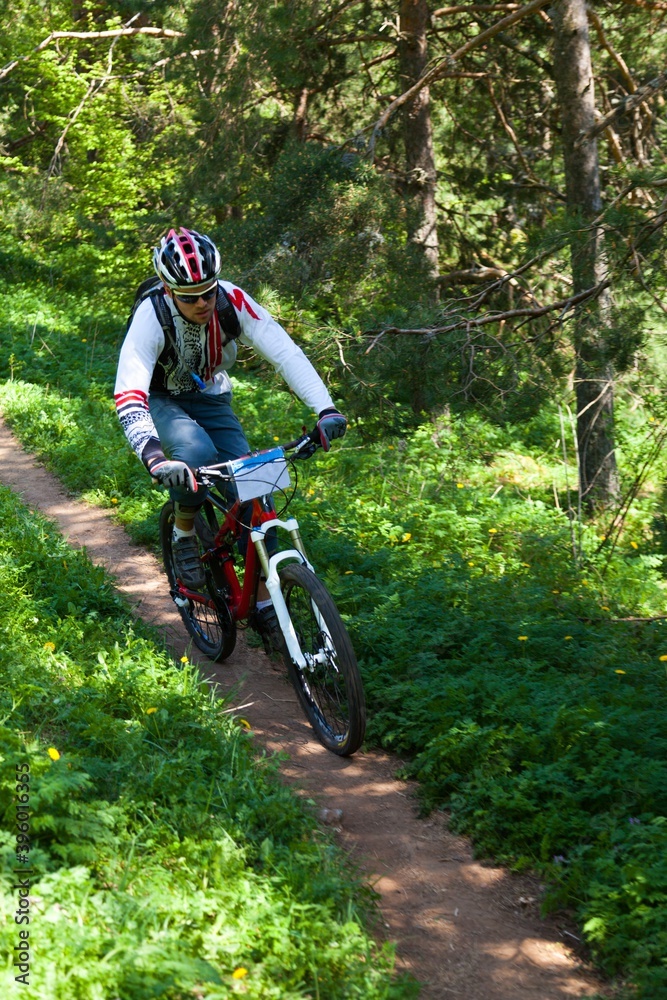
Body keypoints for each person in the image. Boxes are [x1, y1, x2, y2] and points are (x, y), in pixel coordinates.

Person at [114, 226, 347, 647]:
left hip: (211, 395)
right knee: (196, 455)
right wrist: (154, 456)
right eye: (190, 297)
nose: (203, 302)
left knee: (259, 489)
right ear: (169, 292)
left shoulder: (232, 301)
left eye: (208, 291)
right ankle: (185, 533)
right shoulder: (152, 315)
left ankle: (261, 603)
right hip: (162, 398)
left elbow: (285, 352)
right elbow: (130, 390)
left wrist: (325, 409)